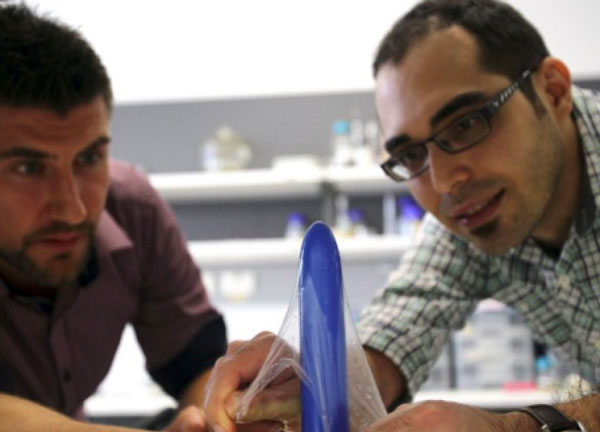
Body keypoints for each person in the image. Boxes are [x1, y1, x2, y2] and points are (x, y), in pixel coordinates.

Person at [203, 0, 600, 431]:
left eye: (466, 125)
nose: (444, 182)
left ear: (553, 91)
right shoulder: (472, 221)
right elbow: (403, 319)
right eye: (411, 155)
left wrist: (514, 428)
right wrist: (314, 380)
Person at [0, 4, 226, 431]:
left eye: (89, 158)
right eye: (29, 168)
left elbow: (201, 367)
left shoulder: (132, 209)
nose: (73, 208)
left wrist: (212, 420)